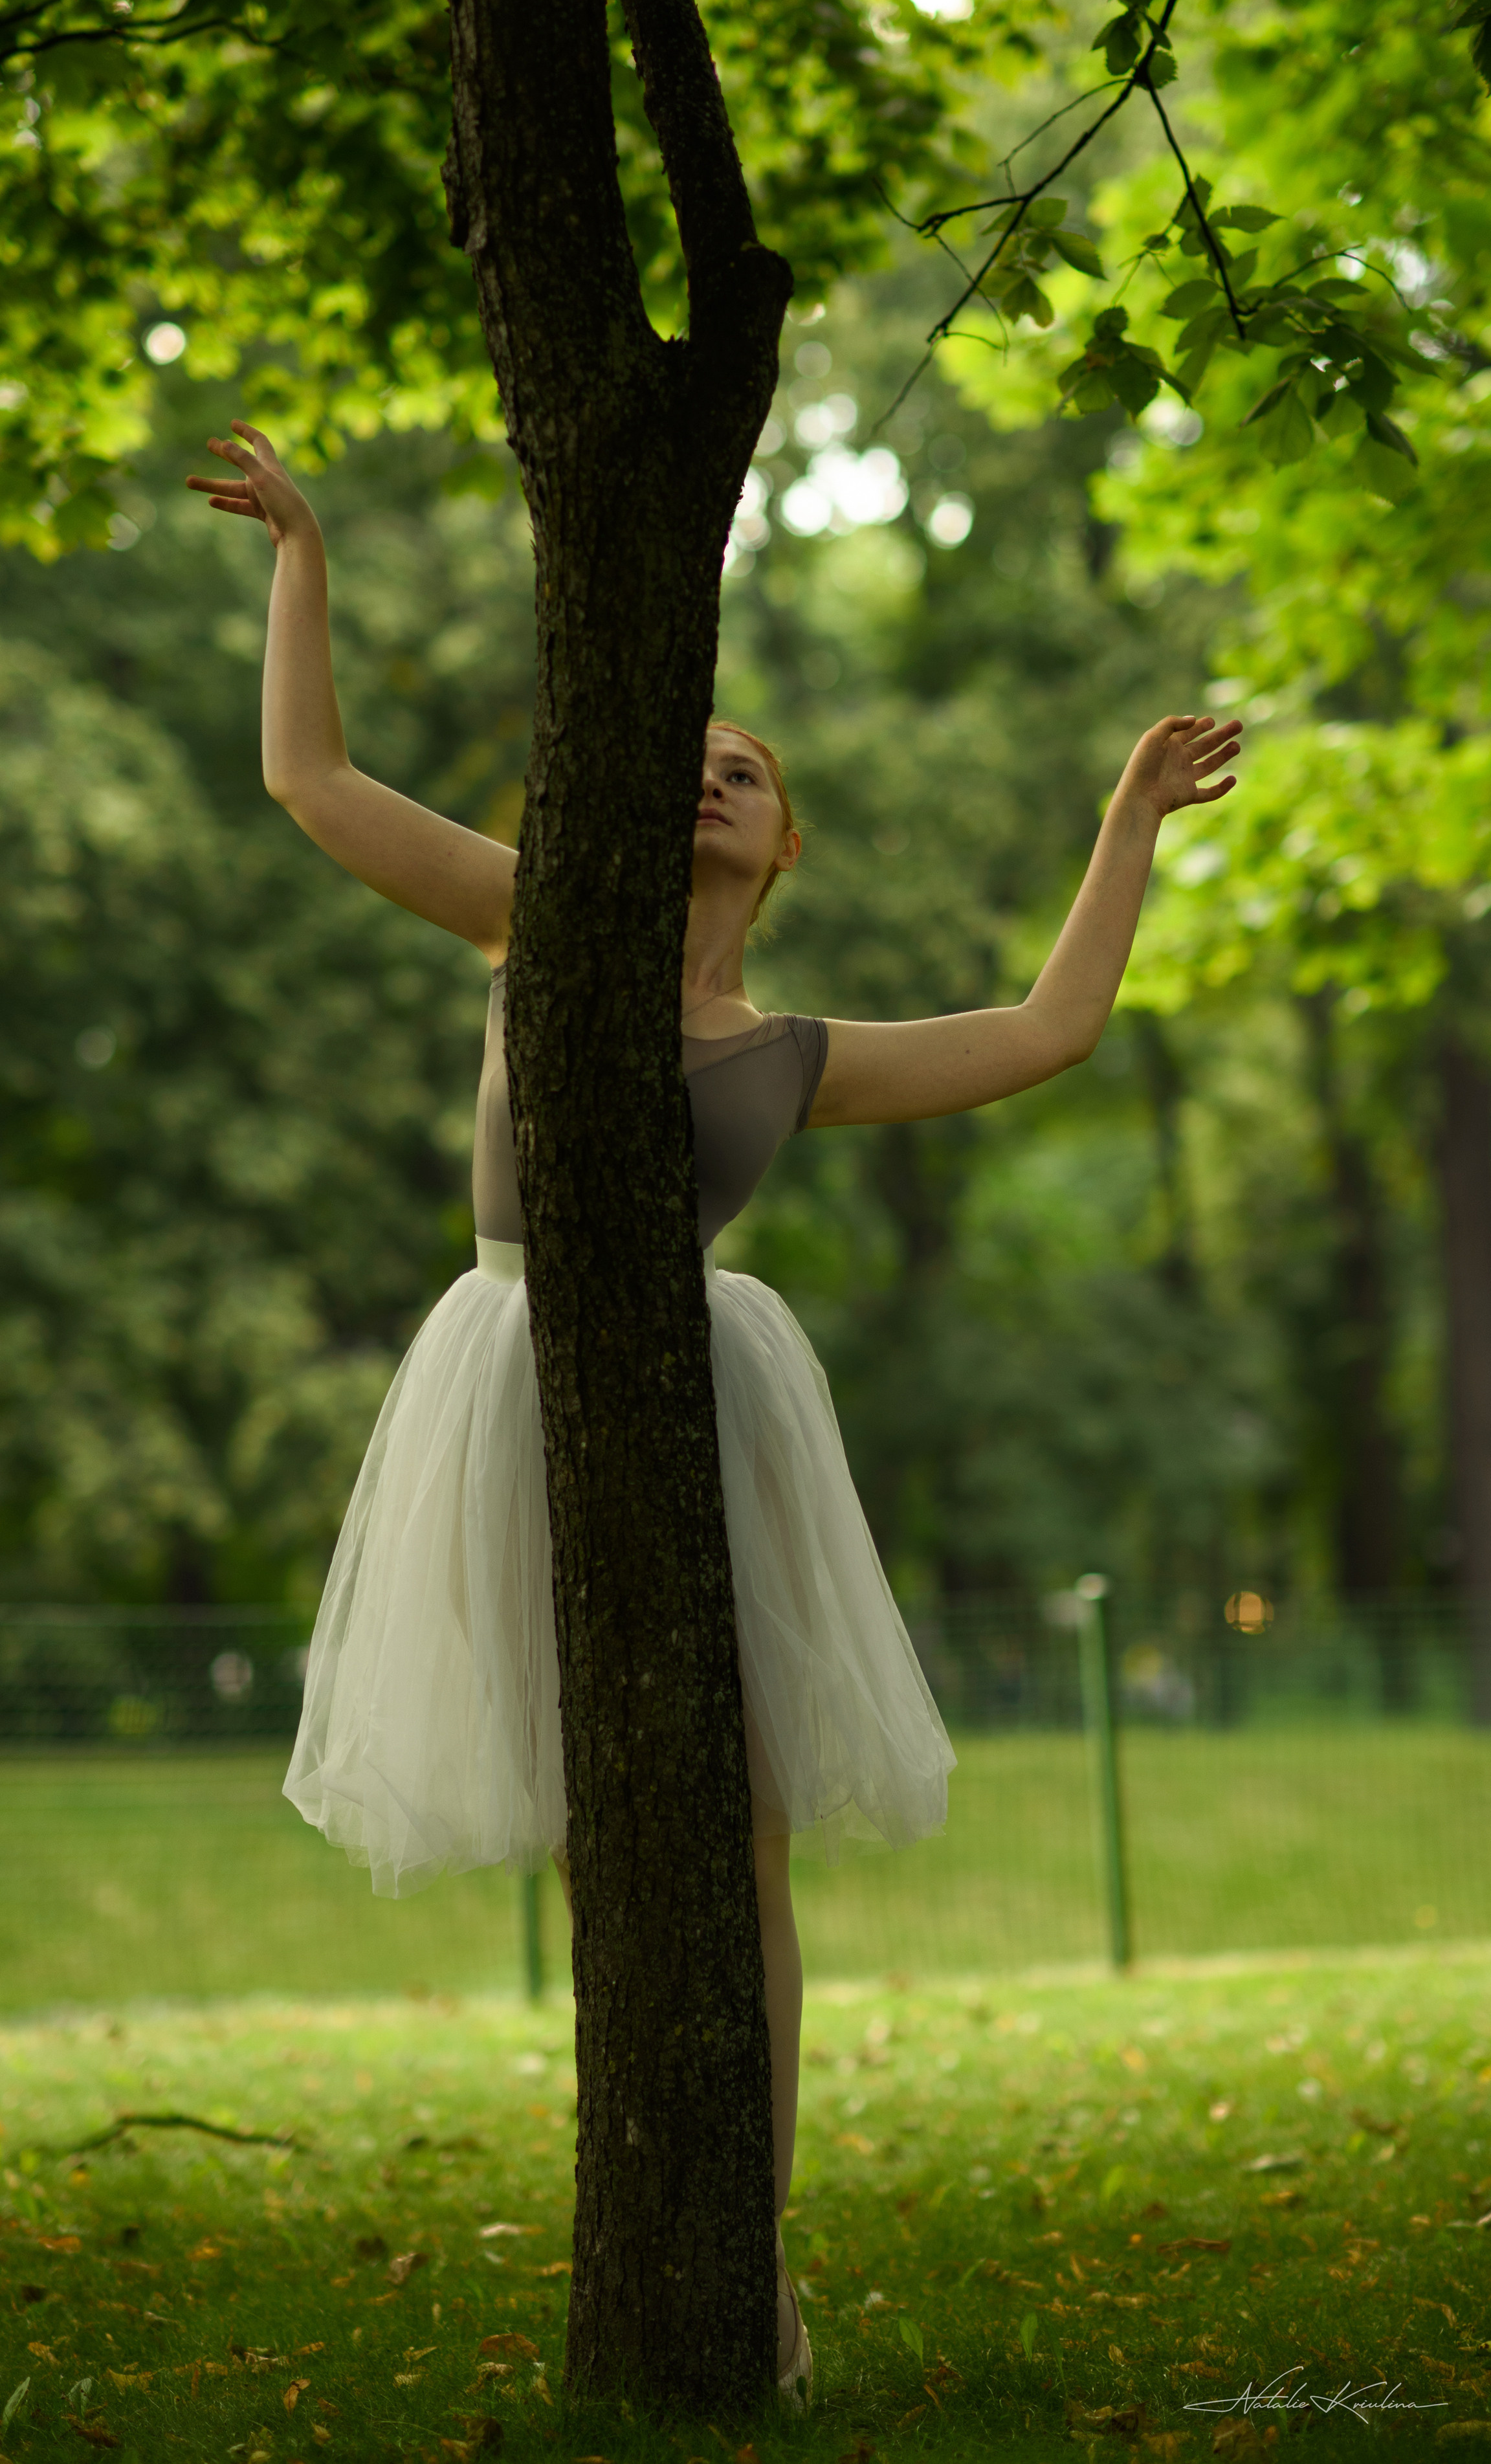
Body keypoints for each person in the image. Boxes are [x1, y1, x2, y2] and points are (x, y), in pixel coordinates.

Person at [187, 420, 1243, 2405]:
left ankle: (746, 2260)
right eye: (688, 748)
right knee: (608, 1833)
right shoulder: (535, 917)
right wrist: (303, 555)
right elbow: (310, 782)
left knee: (739, 1836)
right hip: (509, 1383)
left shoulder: (794, 1054)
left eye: (745, 768)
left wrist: (1127, 820)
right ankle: (650, 2223)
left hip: (704, 1403)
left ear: (783, 844)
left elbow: (1050, 1031)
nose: (707, 772)